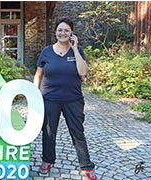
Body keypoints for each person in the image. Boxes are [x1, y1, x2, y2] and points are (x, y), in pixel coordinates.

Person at [33, 17, 97, 180]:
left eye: (66, 30)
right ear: (56, 32)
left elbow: (83, 72)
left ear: (71, 33)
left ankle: (86, 165)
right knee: (48, 132)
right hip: (49, 98)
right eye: (60, 30)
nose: (63, 33)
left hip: (73, 98)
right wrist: (35, 94)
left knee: (77, 132)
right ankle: (47, 161)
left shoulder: (78, 50)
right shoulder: (46, 51)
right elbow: (38, 74)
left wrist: (75, 49)